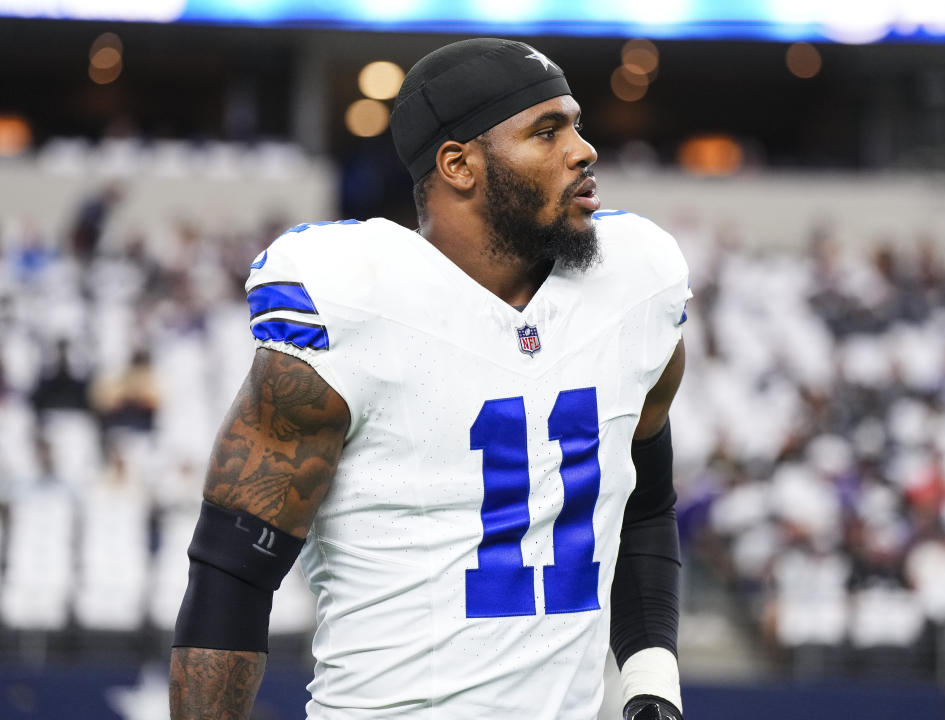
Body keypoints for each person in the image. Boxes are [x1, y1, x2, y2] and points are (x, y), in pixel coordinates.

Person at [169, 38, 690, 720]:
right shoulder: (355, 299)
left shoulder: (634, 281)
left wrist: (651, 685)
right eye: (546, 131)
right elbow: (232, 572)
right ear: (458, 164)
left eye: (576, 124)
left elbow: (644, 506)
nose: (583, 149)